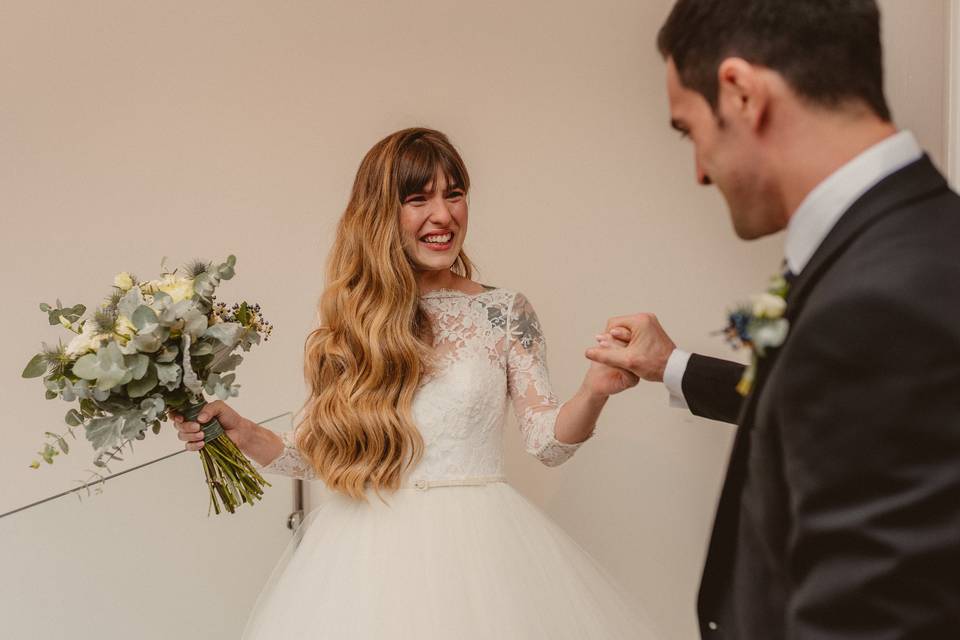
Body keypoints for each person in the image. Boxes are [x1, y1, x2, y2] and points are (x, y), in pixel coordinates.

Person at [173, 128, 655, 639]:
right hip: (363, 558)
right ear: (382, 214)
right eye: (418, 199)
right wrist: (239, 430)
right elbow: (323, 454)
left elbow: (547, 443)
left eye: (454, 194)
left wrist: (595, 390)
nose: (443, 215)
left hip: (481, 561)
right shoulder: (350, 318)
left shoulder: (503, 311)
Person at [587, 1, 960, 637]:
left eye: (689, 131)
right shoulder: (904, 243)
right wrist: (672, 366)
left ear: (740, 93)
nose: (700, 172)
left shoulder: (880, 303)